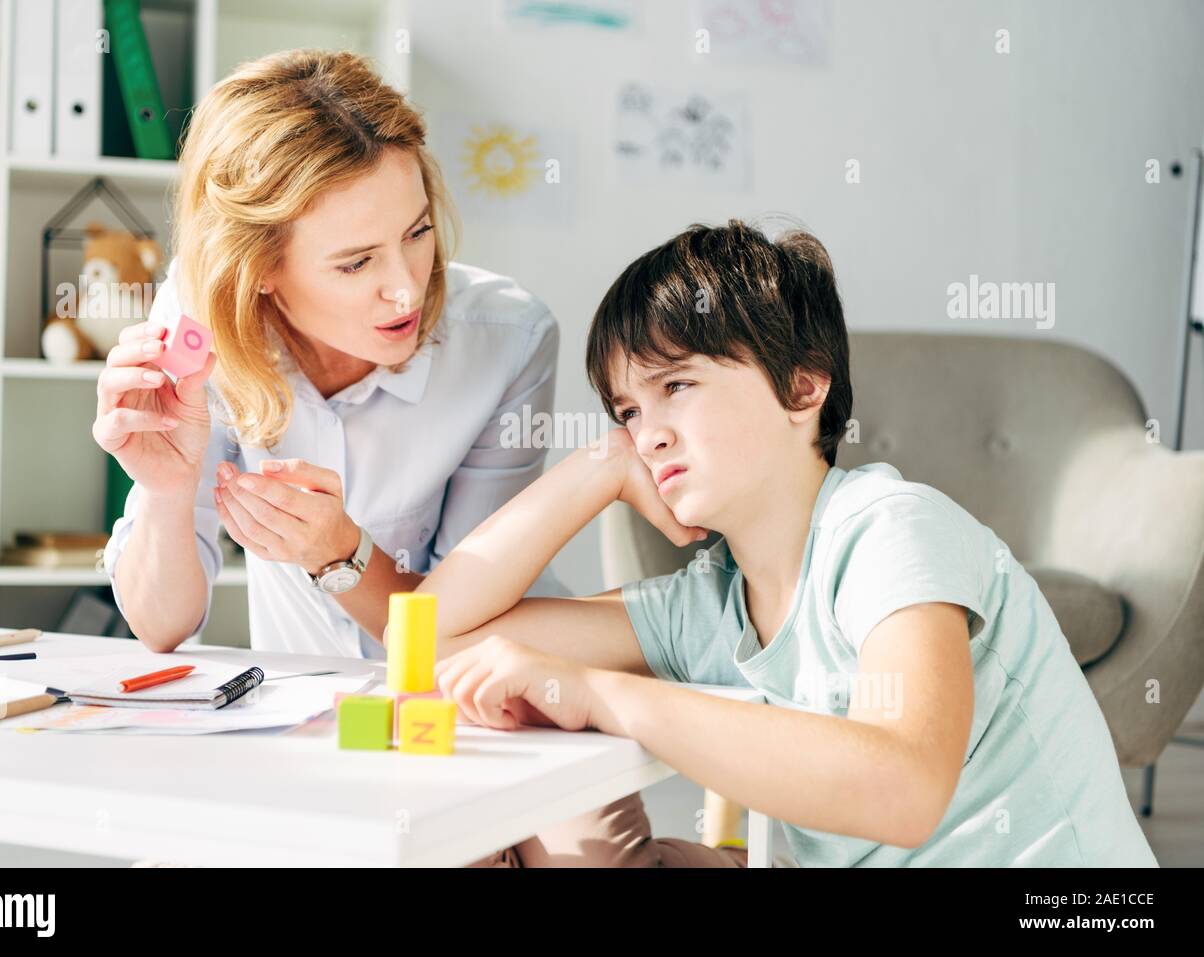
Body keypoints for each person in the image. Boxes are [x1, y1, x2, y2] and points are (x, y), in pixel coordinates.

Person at [417, 220, 1159, 867]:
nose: (651, 432)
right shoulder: (707, 602)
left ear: (804, 389)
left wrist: (600, 693)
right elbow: (430, 642)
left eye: (677, 385)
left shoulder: (892, 530)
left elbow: (902, 790)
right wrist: (596, 466)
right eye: (628, 409)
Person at [94, 49, 566, 665]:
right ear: (259, 269)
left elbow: (465, 636)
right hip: (308, 727)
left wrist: (342, 555)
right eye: (356, 262)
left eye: (418, 233)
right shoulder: (202, 320)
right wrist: (165, 488)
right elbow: (162, 627)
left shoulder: (511, 339)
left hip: (475, 711)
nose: (406, 287)